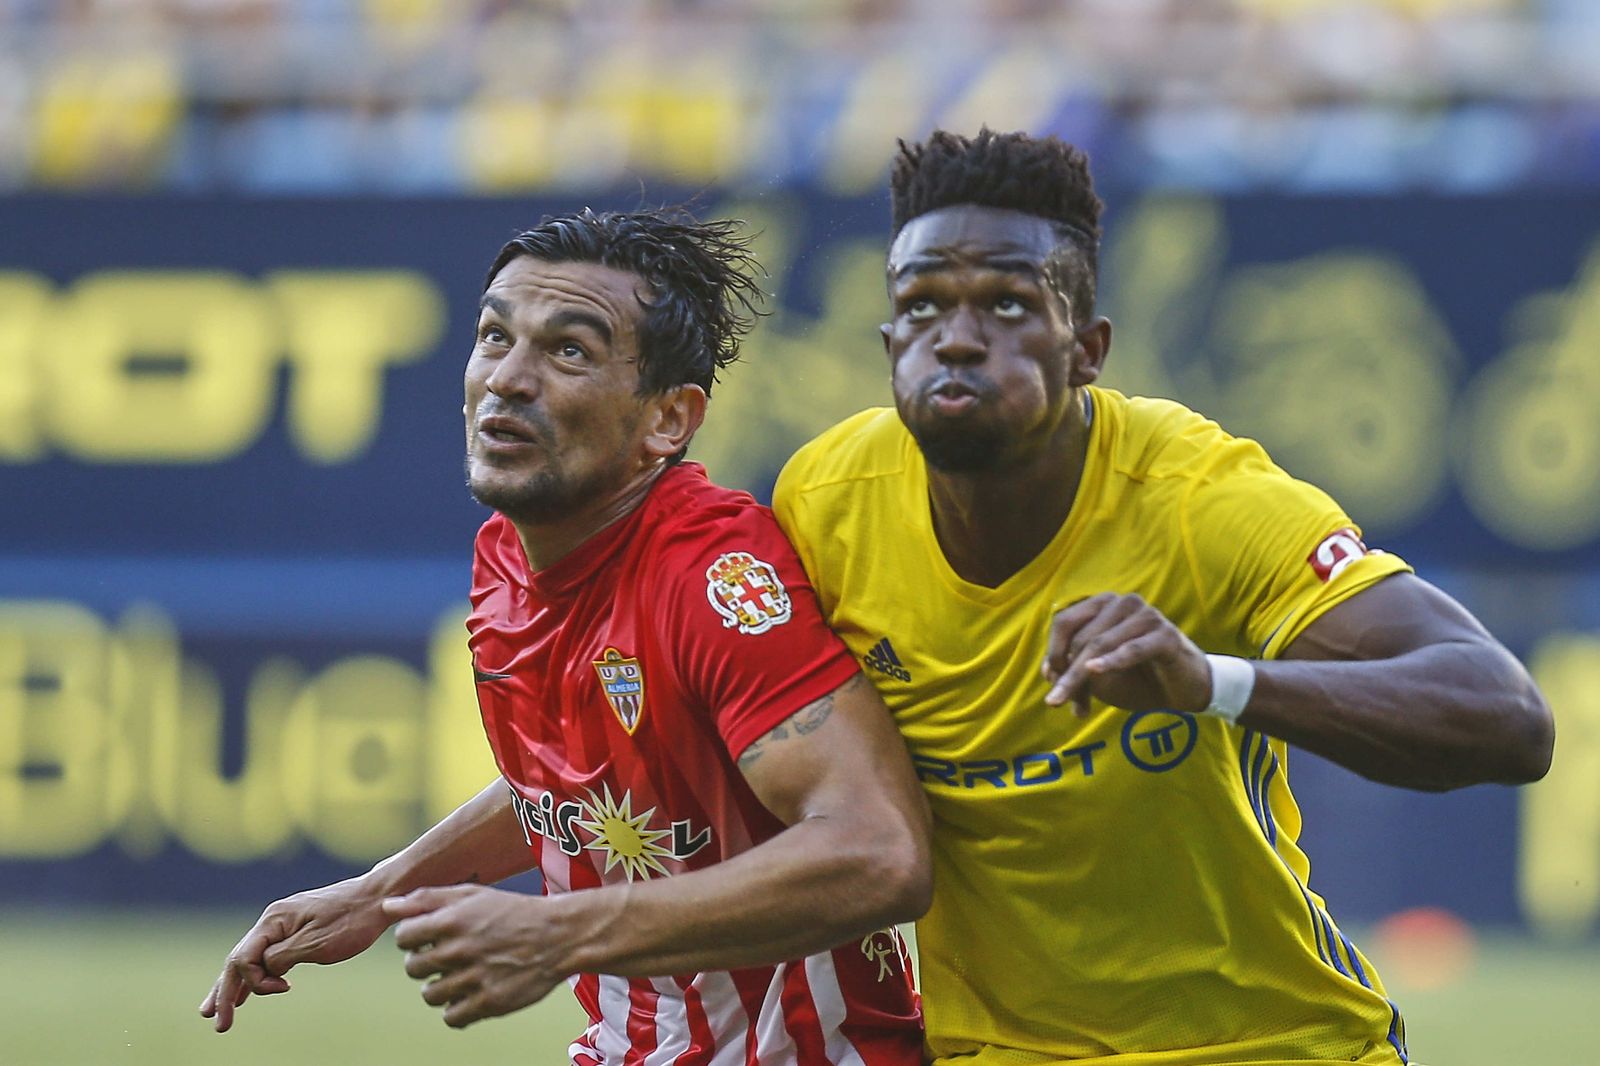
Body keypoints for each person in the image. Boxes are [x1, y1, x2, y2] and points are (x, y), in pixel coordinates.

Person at [772, 129, 1555, 1066]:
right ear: (889, 341)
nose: (961, 337)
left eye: (1011, 305)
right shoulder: (822, 507)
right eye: (923, 304)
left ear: (1087, 351)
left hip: (1270, 1045)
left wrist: (1213, 683)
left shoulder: (1201, 500)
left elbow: (1507, 717)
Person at [200, 208, 933, 1065]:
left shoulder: (711, 579)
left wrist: (558, 931)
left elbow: (880, 852)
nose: (508, 378)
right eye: (494, 336)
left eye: (569, 350)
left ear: (668, 420)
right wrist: (379, 894)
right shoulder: (507, 559)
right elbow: (594, 789)